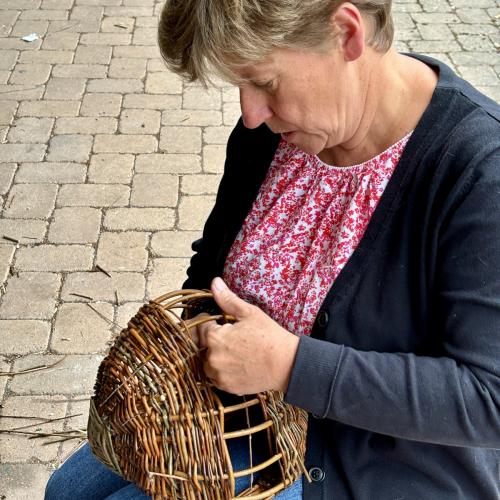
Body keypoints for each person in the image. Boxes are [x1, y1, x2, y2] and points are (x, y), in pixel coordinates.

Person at [46, 0, 500, 499]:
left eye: (264, 81)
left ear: (347, 33)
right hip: (231, 416)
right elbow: (214, 261)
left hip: (364, 465)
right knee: (66, 491)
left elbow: (488, 400)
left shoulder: (478, 170)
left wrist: (289, 364)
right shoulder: (271, 135)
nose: (250, 112)